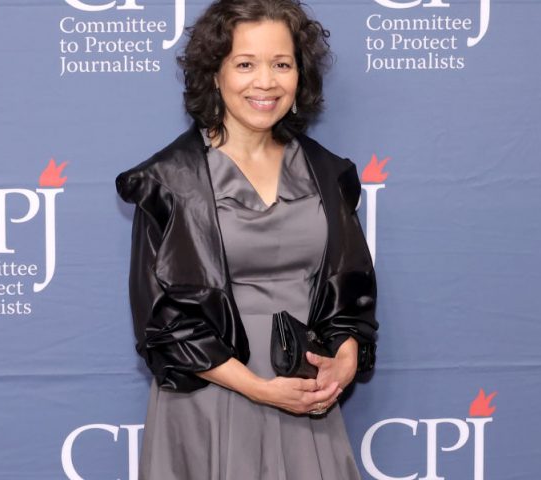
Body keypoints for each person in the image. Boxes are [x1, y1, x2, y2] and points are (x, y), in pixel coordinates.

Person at [115, 1, 378, 478]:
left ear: (300, 76)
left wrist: (344, 357)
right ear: (214, 75)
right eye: (245, 64)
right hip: (211, 398)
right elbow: (162, 322)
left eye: (282, 64)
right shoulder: (170, 181)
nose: (266, 81)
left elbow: (350, 290)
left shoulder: (328, 173)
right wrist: (258, 388)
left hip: (305, 395)